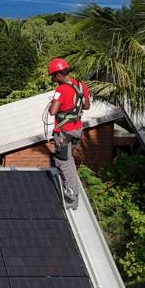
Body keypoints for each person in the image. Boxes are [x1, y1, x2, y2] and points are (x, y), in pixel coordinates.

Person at [47, 58, 89, 210]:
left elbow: (53, 111)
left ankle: (71, 197)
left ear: (59, 74)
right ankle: (69, 183)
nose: (53, 80)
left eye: (53, 76)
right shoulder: (81, 86)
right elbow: (87, 106)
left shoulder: (60, 90)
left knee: (63, 161)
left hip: (64, 132)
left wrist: (54, 101)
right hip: (77, 129)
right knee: (69, 159)